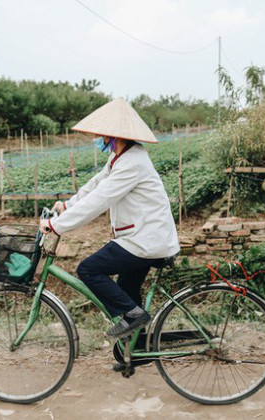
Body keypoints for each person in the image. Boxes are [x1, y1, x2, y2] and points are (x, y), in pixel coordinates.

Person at [39, 97, 180, 339]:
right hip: (142, 237)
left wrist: (56, 225)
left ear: (113, 136)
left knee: (88, 269)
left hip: (145, 241)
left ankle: (135, 317)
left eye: (102, 135)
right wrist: (67, 205)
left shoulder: (131, 163)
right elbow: (97, 184)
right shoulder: (122, 156)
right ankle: (136, 350)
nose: (99, 139)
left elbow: (100, 200)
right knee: (126, 291)